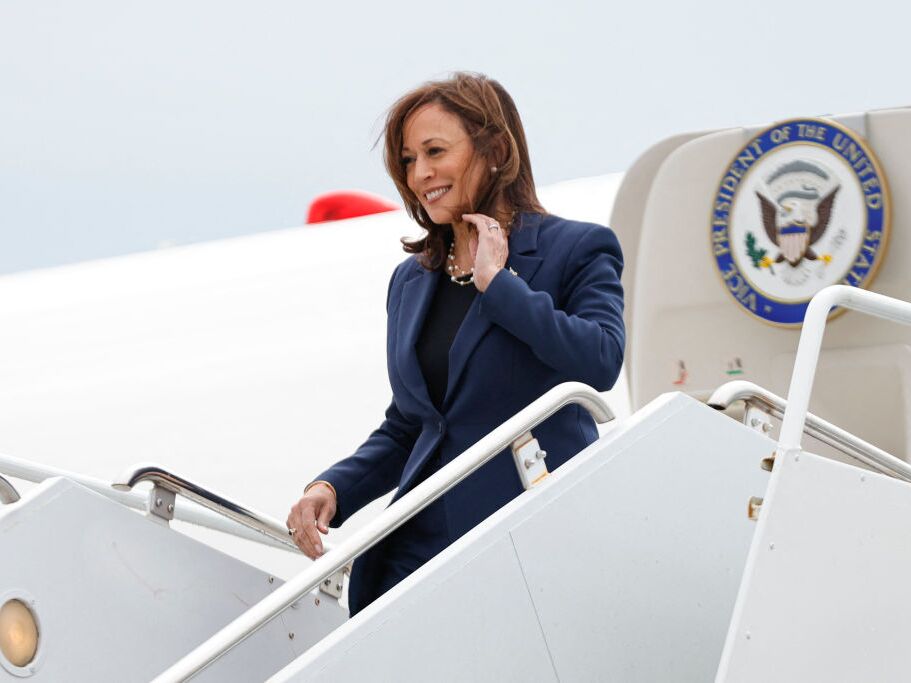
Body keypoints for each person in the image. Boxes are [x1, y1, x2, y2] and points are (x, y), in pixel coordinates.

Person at [287, 72, 625, 616]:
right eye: (407, 160)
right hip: (415, 553)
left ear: (494, 150)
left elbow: (601, 361)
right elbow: (414, 422)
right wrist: (335, 487)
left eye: (435, 151)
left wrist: (501, 287)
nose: (420, 174)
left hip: (526, 545)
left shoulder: (577, 248)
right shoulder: (412, 279)